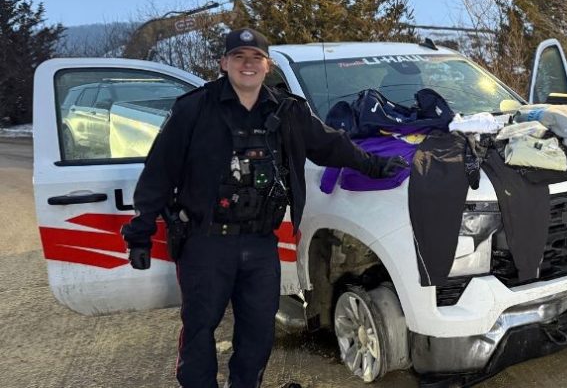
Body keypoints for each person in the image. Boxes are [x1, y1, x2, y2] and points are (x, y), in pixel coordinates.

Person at [121, 28, 408, 388]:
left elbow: (332, 146)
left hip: (260, 245)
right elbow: (158, 173)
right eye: (239, 57)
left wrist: (376, 165)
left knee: (258, 334)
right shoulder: (194, 109)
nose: (247, 64)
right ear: (224, 63)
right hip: (205, 244)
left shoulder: (287, 112)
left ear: (267, 65)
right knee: (199, 330)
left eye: (255, 58)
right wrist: (140, 233)